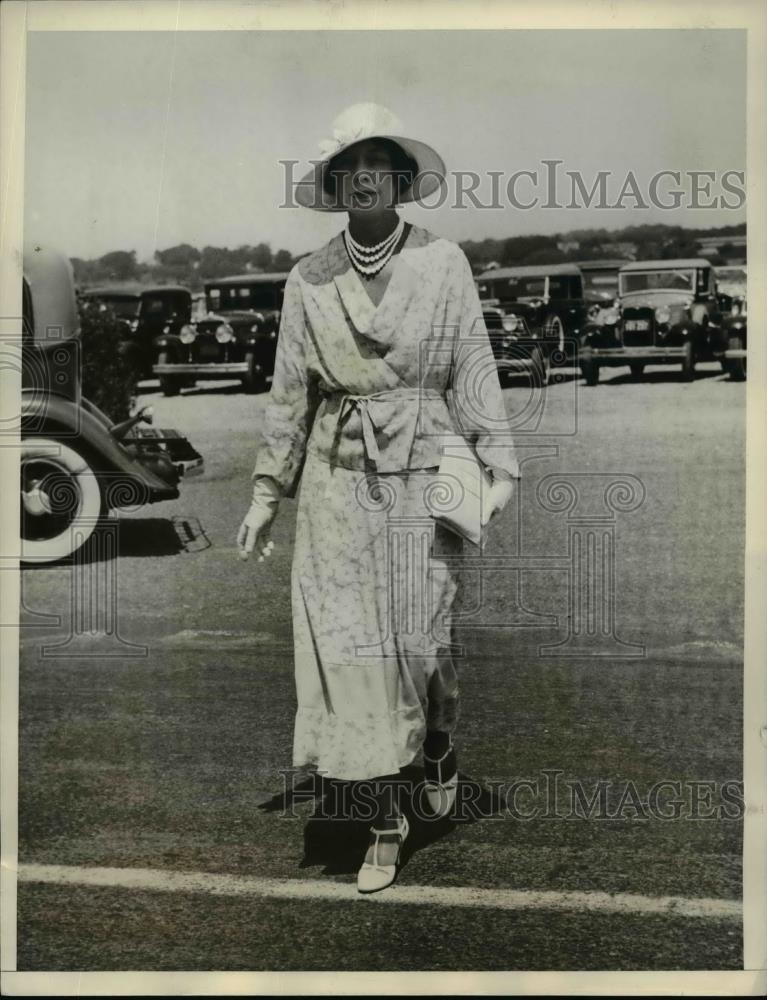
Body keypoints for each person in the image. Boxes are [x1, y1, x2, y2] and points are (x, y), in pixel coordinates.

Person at [237, 103, 519, 893]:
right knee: (353, 652)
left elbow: (474, 365)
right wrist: (267, 491)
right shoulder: (308, 278)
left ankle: (437, 745)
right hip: (335, 475)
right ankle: (385, 821)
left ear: (400, 179)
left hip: (424, 462)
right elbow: (288, 394)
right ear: (334, 186)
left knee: (422, 642)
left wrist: (497, 466)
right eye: (348, 166)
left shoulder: (443, 264)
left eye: (379, 162)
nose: (364, 175)